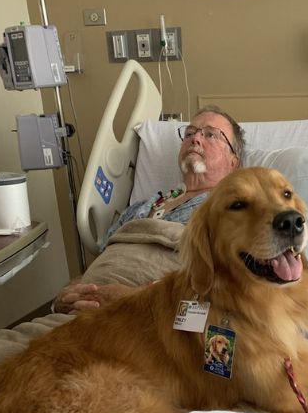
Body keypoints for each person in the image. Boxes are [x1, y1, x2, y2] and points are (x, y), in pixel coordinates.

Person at [54, 106, 245, 314]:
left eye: (210, 134)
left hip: (148, 317)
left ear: (233, 163)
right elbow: (103, 261)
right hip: (80, 312)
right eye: (190, 133)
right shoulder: (141, 207)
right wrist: (65, 296)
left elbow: (225, 285)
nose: (195, 139)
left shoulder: (231, 213)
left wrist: (137, 299)